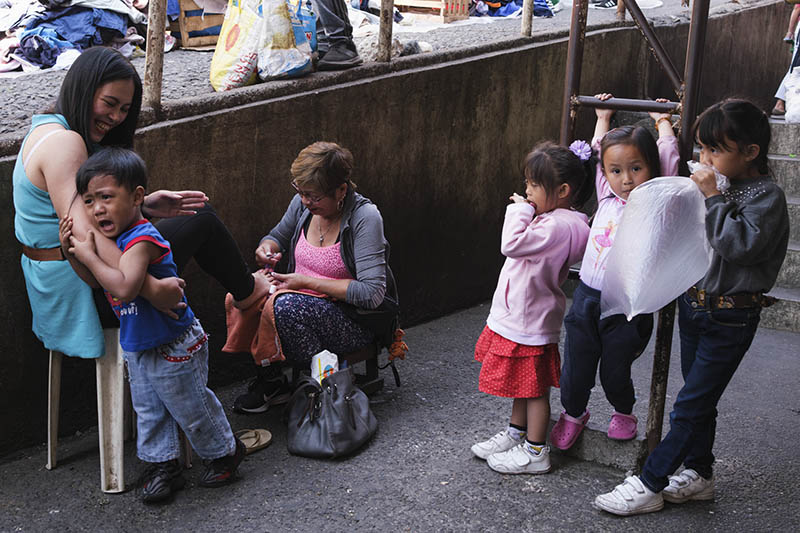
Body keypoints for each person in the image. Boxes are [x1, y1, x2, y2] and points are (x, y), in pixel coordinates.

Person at [595, 99, 789, 516]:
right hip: (695, 306)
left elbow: (741, 245)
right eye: (701, 149)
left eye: (714, 150)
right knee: (698, 400)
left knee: (691, 404)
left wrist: (712, 196)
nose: (704, 159)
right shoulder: (717, 184)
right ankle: (700, 473)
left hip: (731, 315)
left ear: (750, 152)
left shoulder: (766, 197)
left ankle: (650, 481)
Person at [12, 45, 268, 361]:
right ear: (83, 89)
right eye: (109, 103)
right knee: (201, 218)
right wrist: (150, 289)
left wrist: (143, 207)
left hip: (60, 283)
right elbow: (81, 234)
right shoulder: (66, 143)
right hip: (83, 291)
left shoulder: (46, 126)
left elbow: (81, 217)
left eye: (124, 109)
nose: (116, 117)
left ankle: (246, 297)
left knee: (186, 219)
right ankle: (249, 297)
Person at [59, 148, 245, 504]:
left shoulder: (143, 239)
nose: (98, 209)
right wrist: (71, 251)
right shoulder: (113, 241)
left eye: (107, 197)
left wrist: (86, 253)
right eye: (89, 201)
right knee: (149, 409)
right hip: (139, 342)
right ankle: (163, 466)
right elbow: (95, 281)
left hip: (174, 343)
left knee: (190, 405)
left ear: (137, 198)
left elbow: (125, 286)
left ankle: (224, 451)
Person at [227, 141, 399, 413]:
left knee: (284, 309)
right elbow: (276, 237)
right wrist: (267, 249)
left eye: (315, 197)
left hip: (351, 319)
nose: (306, 202)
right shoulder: (303, 205)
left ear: (341, 190)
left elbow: (372, 293)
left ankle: (321, 386)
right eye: (301, 193)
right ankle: (271, 380)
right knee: (242, 290)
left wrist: (304, 282)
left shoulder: (365, 218)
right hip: (300, 299)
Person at [549, 93, 679, 450]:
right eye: (616, 171)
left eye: (636, 168)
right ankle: (574, 412)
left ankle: (624, 411)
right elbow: (597, 156)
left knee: (615, 368)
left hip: (627, 303)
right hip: (588, 296)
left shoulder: (655, 201)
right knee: (576, 363)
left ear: (651, 169)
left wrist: (662, 121)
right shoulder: (606, 197)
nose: (626, 179)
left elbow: (668, 158)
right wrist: (603, 117)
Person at [470, 141, 592, 475]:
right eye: (527, 183)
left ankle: (537, 451)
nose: (527, 191)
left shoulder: (557, 226)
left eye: (534, 185)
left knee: (534, 388)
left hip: (531, 318)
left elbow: (510, 245)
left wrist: (520, 210)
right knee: (525, 383)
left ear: (563, 190)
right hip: (526, 315)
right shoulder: (557, 220)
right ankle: (516, 433)